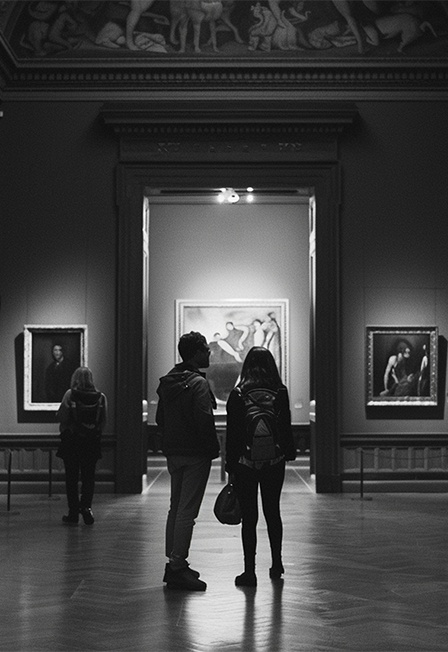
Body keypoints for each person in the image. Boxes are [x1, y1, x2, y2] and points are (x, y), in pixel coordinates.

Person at [226, 346, 296, 587]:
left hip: (245, 462)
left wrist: (230, 464)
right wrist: (288, 453)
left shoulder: (238, 393)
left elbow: (233, 433)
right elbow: (285, 425)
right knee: (272, 511)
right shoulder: (280, 391)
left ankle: (249, 571)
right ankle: (277, 564)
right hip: (274, 460)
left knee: (249, 516)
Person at [156, 331, 220, 591]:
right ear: (195, 353)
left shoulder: (169, 380)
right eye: (205, 348)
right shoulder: (198, 383)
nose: (209, 352)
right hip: (195, 453)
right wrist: (213, 450)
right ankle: (177, 566)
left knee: (176, 507)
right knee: (187, 511)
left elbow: (160, 419)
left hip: (173, 451)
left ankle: (174, 561)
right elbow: (204, 420)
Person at [56, 367, 107, 525]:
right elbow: (103, 421)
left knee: (71, 479)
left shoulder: (70, 395)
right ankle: (86, 508)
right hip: (91, 442)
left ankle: (73, 513)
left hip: (72, 441)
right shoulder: (100, 397)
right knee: (88, 477)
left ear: (75, 378)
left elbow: (62, 417)